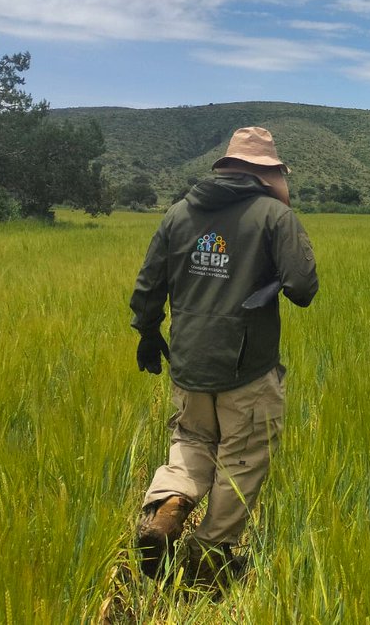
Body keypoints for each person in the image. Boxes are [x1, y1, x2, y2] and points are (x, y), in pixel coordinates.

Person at [129, 126, 318, 591]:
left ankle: (169, 507)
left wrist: (148, 332)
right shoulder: (274, 215)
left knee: (191, 440)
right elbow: (303, 287)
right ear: (266, 172)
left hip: (189, 361)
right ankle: (210, 555)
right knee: (243, 457)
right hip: (246, 368)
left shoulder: (178, 213)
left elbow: (149, 283)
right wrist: (282, 208)